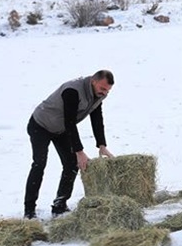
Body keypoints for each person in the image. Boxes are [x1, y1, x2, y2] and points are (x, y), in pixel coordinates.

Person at [24, 70, 116, 219]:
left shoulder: (98, 94)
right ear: (93, 81)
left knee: (72, 164)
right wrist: (79, 151)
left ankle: (60, 205)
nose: (105, 93)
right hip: (40, 125)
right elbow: (70, 122)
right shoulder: (72, 90)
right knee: (39, 164)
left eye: (108, 90)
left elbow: (97, 118)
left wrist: (102, 145)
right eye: (103, 88)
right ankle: (29, 211)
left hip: (60, 128)